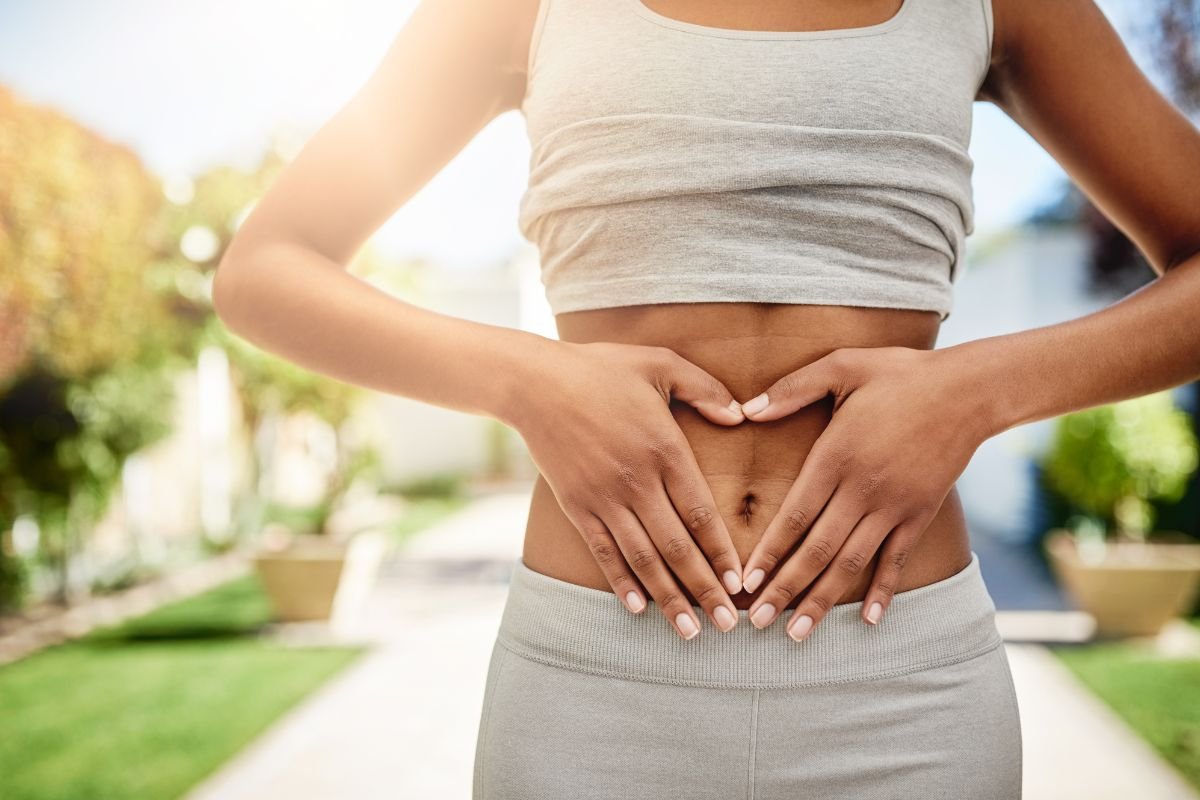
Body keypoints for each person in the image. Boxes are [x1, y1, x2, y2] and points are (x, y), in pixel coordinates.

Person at [212, 0, 1200, 797]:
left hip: (906, 691)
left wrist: (975, 392)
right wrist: (529, 382)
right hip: (593, 686)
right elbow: (265, 270)